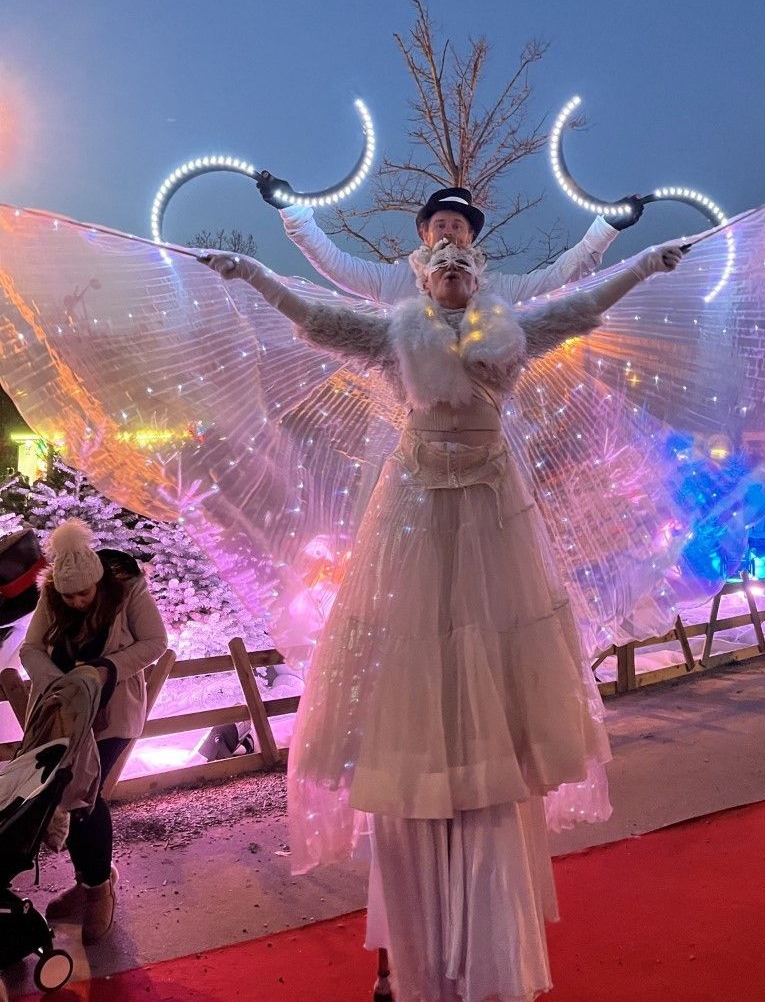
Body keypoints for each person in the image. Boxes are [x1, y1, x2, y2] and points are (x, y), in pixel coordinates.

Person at [201, 232, 683, 1002]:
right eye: (442, 264)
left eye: (465, 264)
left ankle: (484, 915)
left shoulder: (511, 334)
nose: (454, 270)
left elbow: (582, 304)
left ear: (477, 278)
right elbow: (316, 316)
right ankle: (412, 951)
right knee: (417, 653)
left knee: (494, 652)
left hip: (493, 519)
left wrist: (646, 261)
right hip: (417, 519)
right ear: (423, 279)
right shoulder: (393, 336)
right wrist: (256, 273)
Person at [20, 524, 167, 944]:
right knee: (61, 794)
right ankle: (91, 881)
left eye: (84, 594)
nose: (77, 602)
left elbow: (156, 641)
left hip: (113, 710)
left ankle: (99, 890)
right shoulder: (53, 596)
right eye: (69, 596)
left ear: (99, 583)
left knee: (84, 797)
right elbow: (31, 649)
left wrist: (104, 670)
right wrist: (63, 684)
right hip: (66, 713)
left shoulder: (127, 589)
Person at [256, 178, 645, 304]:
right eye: (439, 223)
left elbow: (560, 276)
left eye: (457, 225)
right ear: (424, 233)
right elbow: (332, 261)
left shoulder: (495, 289)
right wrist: (292, 211)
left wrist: (605, 228)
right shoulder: (393, 282)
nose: (448, 231)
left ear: (470, 236)